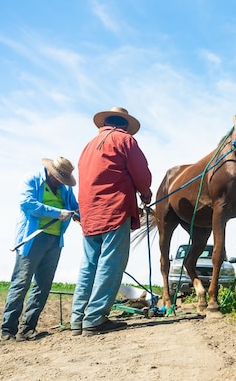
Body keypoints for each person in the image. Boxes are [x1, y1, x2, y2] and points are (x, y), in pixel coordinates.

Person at [71, 107, 152, 336]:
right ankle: (95, 319)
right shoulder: (125, 140)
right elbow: (141, 174)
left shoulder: (88, 146)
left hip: (89, 213)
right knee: (110, 264)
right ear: (125, 125)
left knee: (89, 265)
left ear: (104, 123)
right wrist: (145, 194)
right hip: (114, 210)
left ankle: (78, 319)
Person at [0, 156, 79, 342]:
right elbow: (26, 204)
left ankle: (27, 329)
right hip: (32, 239)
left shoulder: (65, 190)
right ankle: (7, 330)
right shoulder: (32, 180)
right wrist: (56, 212)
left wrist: (81, 216)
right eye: (59, 178)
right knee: (21, 283)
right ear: (51, 172)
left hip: (55, 241)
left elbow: (75, 208)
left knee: (43, 286)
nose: (60, 182)